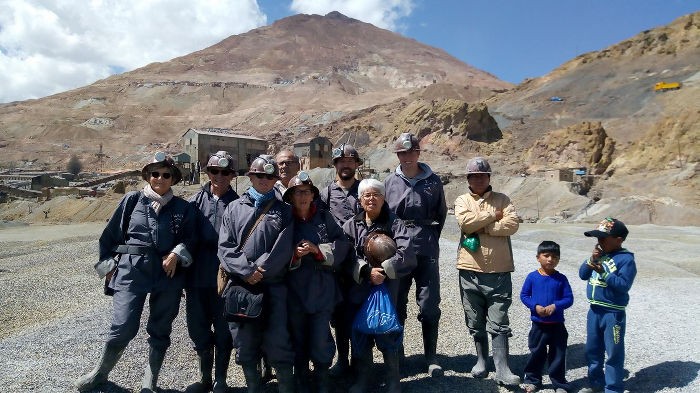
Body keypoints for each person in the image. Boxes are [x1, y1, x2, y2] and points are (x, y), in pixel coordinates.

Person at [75, 152, 196, 393]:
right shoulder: (131, 201)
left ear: (173, 179)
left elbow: (191, 239)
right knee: (123, 326)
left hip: (167, 276)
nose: (160, 178)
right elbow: (108, 237)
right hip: (131, 272)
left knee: (161, 329)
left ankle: (149, 383)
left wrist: (176, 253)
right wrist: (109, 269)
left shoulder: (184, 208)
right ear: (148, 176)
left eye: (165, 174)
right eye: (155, 174)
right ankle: (99, 374)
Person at [217, 155, 295, 393]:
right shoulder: (233, 208)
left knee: (278, 340)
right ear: (250, 177)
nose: (264, 180)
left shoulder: (284, 211)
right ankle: (253, 387)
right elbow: (225, 247)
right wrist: (247, 271)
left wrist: (260, 270)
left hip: (273, 287)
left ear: (275, 179)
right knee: (245, 343)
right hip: (241, 287)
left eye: (270, 176)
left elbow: (284, 246)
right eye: (259, 175)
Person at [342, 179, 417, 393]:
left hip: (387, 289)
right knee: (360, 334)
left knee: (387, 333)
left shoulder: (395, 223)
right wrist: (366, 271)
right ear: (360, 199)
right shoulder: (350, 225)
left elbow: (407, 253)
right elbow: (345, 256)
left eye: (376, 194)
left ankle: (393, 381)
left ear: (384, 199)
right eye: (367, 195)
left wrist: (383, 270)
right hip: (359, 289)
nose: (371, 198)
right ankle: (363, 379)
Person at [383, 132, 447, 377]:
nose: (406, 157)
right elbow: (385, 217)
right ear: (398, 155)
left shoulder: (434, 182)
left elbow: (441, 215)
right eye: (402, 153)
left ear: (418, 153)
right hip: (398, 250)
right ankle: (398, 354)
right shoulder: (389, 183)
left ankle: (430, 356)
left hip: (427, 248)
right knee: (397, 303)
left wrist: (428, 237)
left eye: (410, 152)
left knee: (430, 304)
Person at [454, 156, 521, 386]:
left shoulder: (503, 199)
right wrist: (493, 216)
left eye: (483, 175)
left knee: (499, 320)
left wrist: (483, 226)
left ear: (489, 177)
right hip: (469, 270)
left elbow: (512, 225)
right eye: (474, 176)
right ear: (468, 179)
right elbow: (465, 224)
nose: (479, 179)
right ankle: (481, 360)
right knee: (474, 318)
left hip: (499, 271)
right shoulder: (462, 200)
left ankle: (502, 368)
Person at [284, 171, 350, 393]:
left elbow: (341, 241)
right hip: (294, 292)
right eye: (297, 193)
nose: (302, 196)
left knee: (321, 339)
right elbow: (274, 251)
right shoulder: (284, 220)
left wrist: (317, 250)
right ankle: (302, 379)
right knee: (298, 338)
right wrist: (293, 253)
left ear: (313, 195)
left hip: (322, 290)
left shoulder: (324, 217)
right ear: (290, 197)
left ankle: (323, 380)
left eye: (306, 192)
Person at [185, 151, 239, 393]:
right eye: (215, 171)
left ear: (232, 175)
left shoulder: (239, 205)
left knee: (224, 330)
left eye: (225, 172)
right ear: (207, 173)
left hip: (226, 279)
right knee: (198, 328)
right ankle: (205, 378)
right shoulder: (194, 203)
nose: (220, 176)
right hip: (197, 279)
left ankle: (221, 380)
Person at [318, 143, 363, 377]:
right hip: (336, 266)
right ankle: (343, 360)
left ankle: (360, 361)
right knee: (339, 313)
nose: (345, 164)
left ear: (356, 164)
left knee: (359, 311)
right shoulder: (325, 194)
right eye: (341, 161)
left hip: (361, 263)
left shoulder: (365, 191)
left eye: (350, 161)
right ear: (335, 165)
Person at [578, 218, 636, 393]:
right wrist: (591, 259)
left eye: (604, 238)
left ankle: (613, 388)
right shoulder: (600, 255)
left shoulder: (626, 260)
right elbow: (582, 274)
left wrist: (603, 272)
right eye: (598, 238)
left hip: (613, 313)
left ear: (619, 240)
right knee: (593, 350)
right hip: (594, 311)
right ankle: (596, 383)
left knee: (613, 352)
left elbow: (623, 285)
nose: (599, 241)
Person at [520, 241, 574, 393]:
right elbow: (524, 295)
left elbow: (569, 299)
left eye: (555, 257)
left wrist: (555, 306)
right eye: (546, 255)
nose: (550, 259)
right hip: (538, 324)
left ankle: (559, 384)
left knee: (558, 354)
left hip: (557, 324)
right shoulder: (532, 277)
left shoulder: (561, 279)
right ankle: (532, 380)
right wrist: (535, 306)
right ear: (538, 257)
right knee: (537, 353)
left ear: (558, 260)